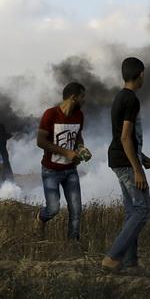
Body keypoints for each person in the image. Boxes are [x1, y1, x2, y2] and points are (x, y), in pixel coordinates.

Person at [102, 57, 150, 272]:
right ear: (140, 73)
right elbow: (125, 137)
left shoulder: (120, 97)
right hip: (125, 161)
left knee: (132, 210)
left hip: (121, 157)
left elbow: (124, 136)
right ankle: (113, 257)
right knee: (143, 210)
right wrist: (137, 169)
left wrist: (142, 157)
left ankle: (130, 262)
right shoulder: (131, 100)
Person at [35, 82, 88, 240]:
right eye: (82, 97)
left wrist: (81, 149)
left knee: (76, 209)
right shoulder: (50, 114)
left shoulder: (79, 115)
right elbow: (40, 141)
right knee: (53, 209)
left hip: (71, 170)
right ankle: (40, 218)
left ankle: (73, 243)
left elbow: (78, 136)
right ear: (73, 97)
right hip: (51, 170)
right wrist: (66, 152)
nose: (84, 101)